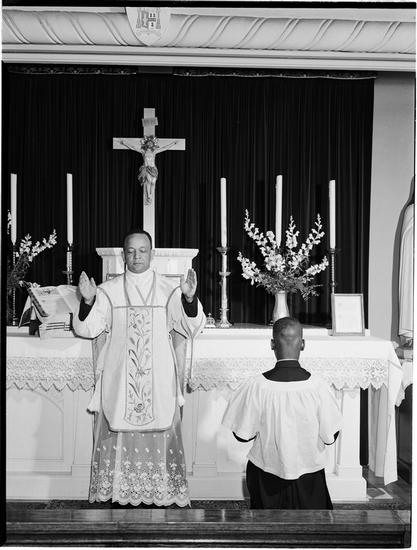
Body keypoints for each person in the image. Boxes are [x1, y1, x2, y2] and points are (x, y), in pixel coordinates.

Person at [73, 229, 206, 507]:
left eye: (142, 250)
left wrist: (189, 300)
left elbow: (192, 326)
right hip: (120, 378)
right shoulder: (107, 291)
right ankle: (119, 492)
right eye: (131, 251)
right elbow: (88, 328)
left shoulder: (171, 290)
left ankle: (161, 491)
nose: (137, 256)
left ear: (152, 253)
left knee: (161, 423)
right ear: (123, 255)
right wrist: (87, 301)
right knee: (118, 427)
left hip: (158, 379)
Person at [222, 317, 342, 509]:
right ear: (303, 344)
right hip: (308, 476)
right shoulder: (318, 386)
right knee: (312, 525)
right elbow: (331, 437)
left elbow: (242, 436)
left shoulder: (257, 386)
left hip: (266, 473)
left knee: (265, 524)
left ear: (272, 344)